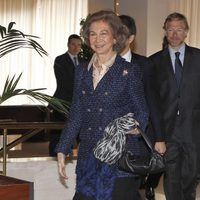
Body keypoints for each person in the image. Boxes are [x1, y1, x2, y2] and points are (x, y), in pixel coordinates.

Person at [55, 10, 149, 200]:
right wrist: (62, 148)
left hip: (119, 159)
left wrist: (131, 128)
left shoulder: (129, 71)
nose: (97, 39)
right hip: (88, 156)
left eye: (103, 33)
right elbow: (77, 112)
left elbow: (142, 112)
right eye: (92, 33)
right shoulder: (82, 71)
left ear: (115, 37)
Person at [149, 12, 200, 200]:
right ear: (165, 31)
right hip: (167, 132)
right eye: (170, 30)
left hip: (194, 130)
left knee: (190, 177)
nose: (175, 34)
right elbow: (151, 100)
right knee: (171, 178)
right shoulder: (153, 62)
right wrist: (156, 135)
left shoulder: (199, 58)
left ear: (186, 32)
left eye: (179, 30)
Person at [119, 14, 165, 200]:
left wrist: (160, 138)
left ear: (131, 38)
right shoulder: (99, 63)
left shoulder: (144, 64)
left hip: (136, 138)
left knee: (128, 185)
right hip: (107, 138)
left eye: (121, 34)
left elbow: (153, 101)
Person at [49, 34, 84, 156]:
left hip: (79, 104)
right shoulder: (60, 60)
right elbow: (64, 82)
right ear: (68, 45)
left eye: (79, 45)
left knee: (80, 133)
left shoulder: (84, 62)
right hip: (62, 102)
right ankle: (54, 158)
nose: (76, 47)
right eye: (73, 44)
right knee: (58, 135)